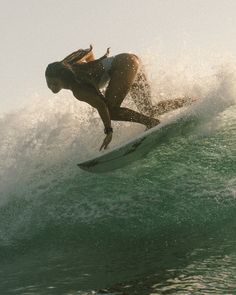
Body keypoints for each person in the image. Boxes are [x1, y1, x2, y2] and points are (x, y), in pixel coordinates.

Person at [45, 45, 191, 150]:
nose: (51, 87)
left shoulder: (78, 88)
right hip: (130, 61)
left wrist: (108, 131)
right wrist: (94, 66)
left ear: (61, 77)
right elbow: (88, 53)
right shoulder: (75, 70)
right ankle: (192, 101)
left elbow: (102, 106)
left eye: (53, 82)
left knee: (112, 110)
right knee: (148, 109)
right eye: (48, 84)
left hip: (124, 65)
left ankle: (151, 123)